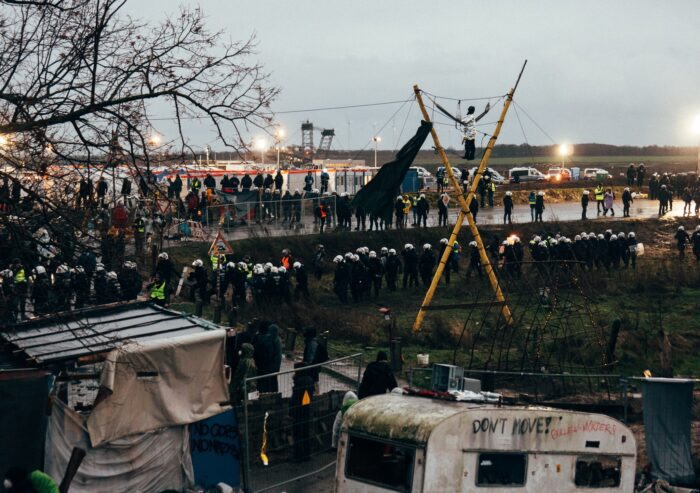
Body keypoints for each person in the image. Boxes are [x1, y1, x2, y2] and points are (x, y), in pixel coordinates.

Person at [291, 363, 315, 462]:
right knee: (305, 432)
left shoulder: (300, 381)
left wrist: (291, 412)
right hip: (306, 409)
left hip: (298, 410)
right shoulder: (310, 380)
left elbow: (295, 398)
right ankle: (306, 454)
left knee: (298, 434)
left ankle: (298, 456)